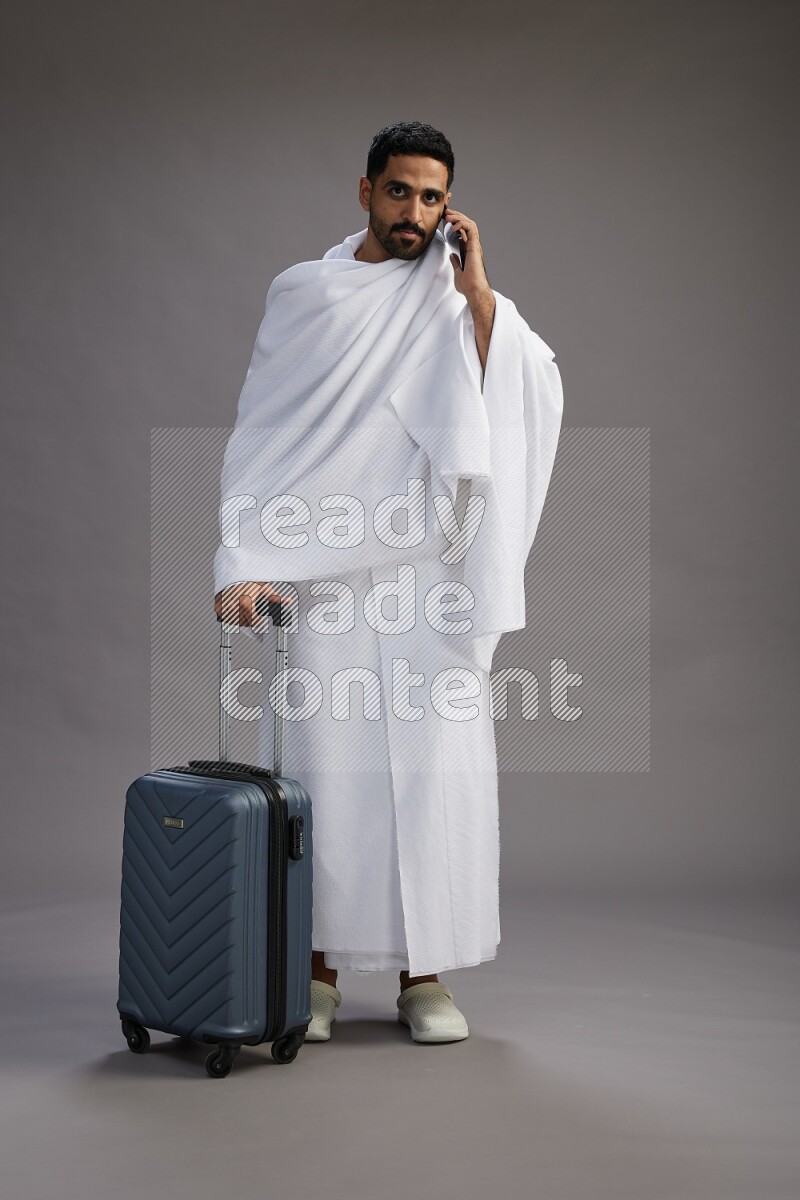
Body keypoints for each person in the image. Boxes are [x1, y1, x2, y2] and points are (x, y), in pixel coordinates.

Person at [213, 122, 564, 1044]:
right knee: (323, 772)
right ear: (363, 189)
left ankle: (425, 979)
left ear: (451, 206)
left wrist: (478, 287)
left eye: (434, 197)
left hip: (427, 577)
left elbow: (522, 388)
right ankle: (318, 973)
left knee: (434, 775)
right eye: (400, 191)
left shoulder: (459, 301)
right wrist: (243, 561)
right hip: (322, 574)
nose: (416, 213)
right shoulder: (306, 295)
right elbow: (265, 434)